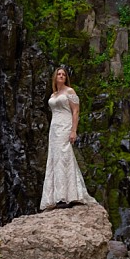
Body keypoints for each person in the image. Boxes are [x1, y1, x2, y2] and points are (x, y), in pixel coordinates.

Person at [40, 66, 97, 210]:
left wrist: (73, 130)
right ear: (55, 77)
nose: (61, 76)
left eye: (63, 75)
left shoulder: (70, 91)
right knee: (54, 158)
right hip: (54, 128)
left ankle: (66, 196)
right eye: (58, 74)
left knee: (64, 157)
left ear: (66, 78)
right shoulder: (53, 95)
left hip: (65, 126)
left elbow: (76, 111)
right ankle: (57, 196)